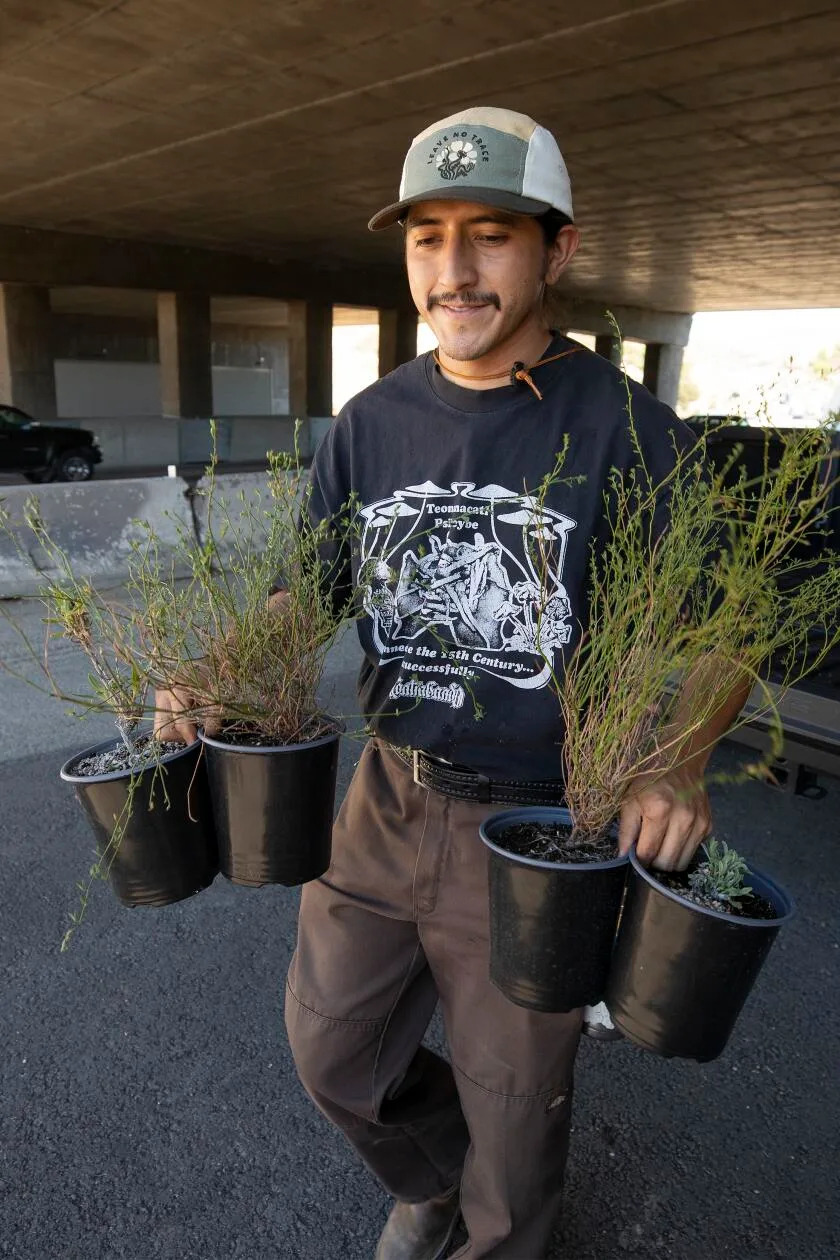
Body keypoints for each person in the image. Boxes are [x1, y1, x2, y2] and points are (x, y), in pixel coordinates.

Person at [156, 107, 747, 1260]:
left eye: (490, 235)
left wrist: (674, 761)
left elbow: (718, 629)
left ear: (557, 251)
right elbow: (304, 593)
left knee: (518, 1120)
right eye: (428, 238)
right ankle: (430, 1174)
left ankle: (496, 1224)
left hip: (540, 827)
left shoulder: (628, 429)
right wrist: (215, 673)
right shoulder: (372, 422)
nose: (454, 270)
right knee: (333, 1049)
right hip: (386, 798)